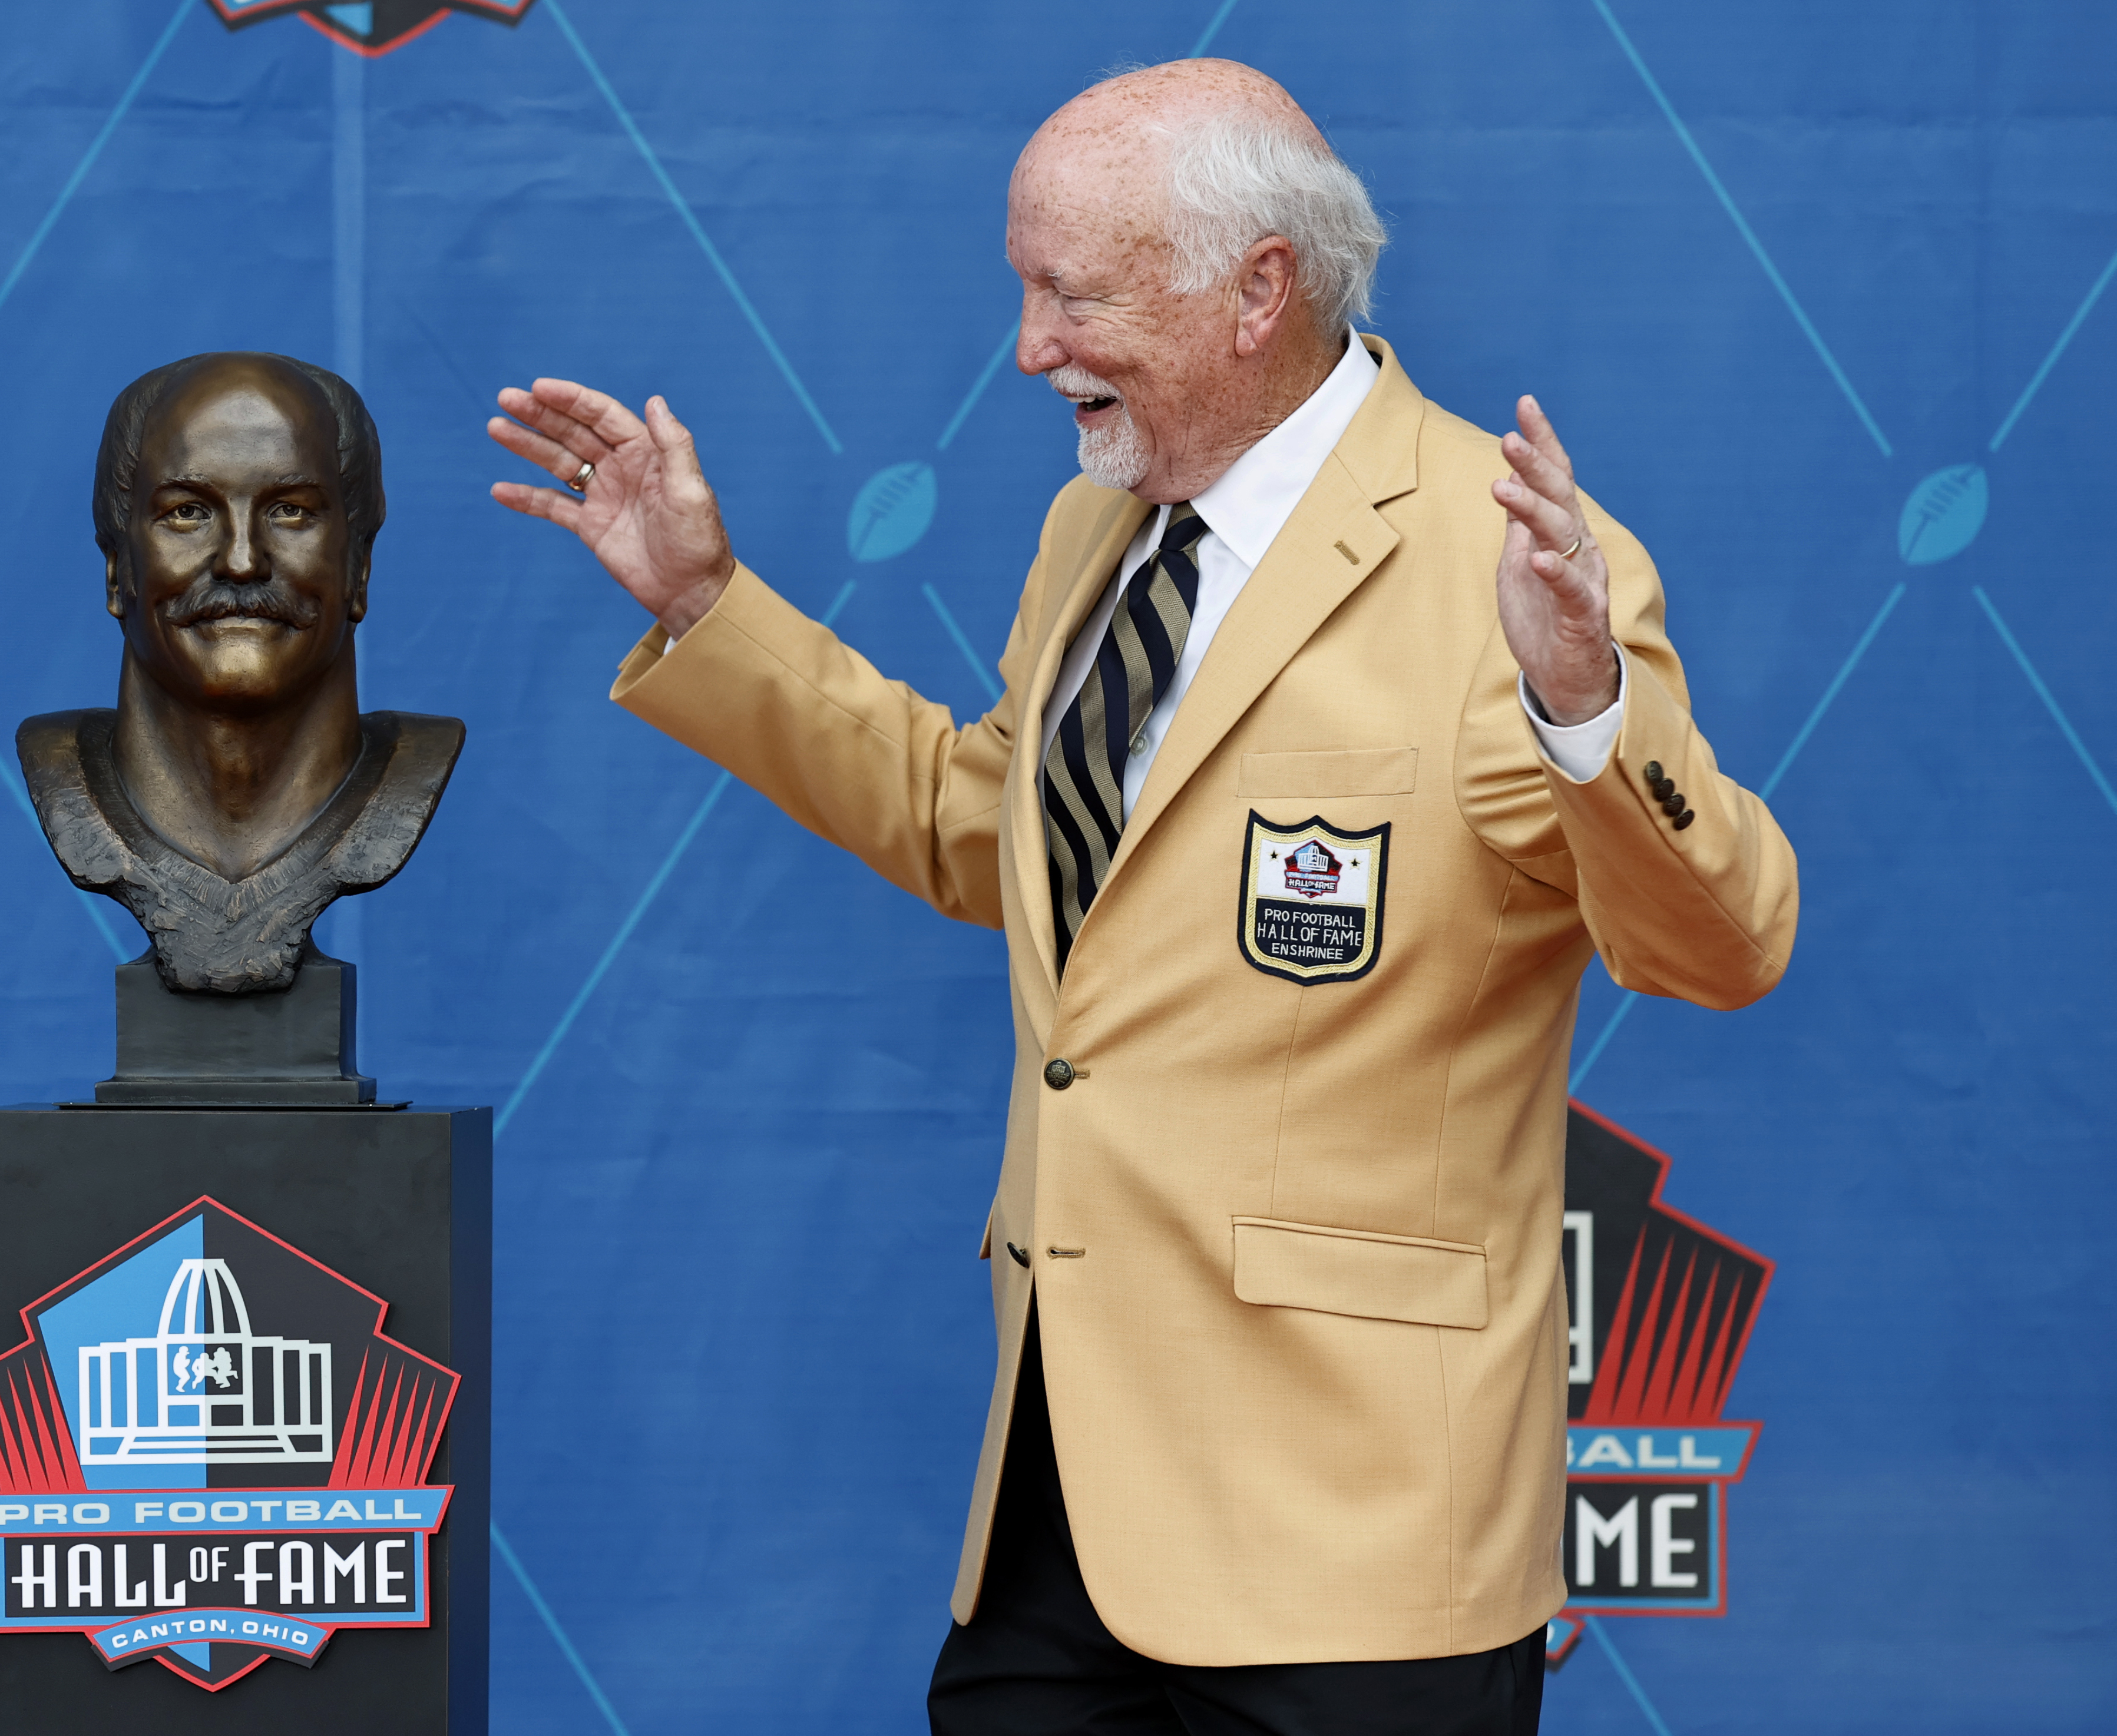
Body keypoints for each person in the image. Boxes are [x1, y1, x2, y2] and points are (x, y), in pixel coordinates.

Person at [487, 59, 1795, 1736]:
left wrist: (1583, 712)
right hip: (1058, 1519)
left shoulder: (1514, 569)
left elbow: (1723, 937)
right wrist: (709, 608)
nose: (1027, 346)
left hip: (1356, 1542)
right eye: (1023, 288)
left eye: (1070, 294)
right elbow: (989, 838)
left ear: (1257, 290)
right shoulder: (1089, 535)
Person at [18, 352, 461, 995]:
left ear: (359, 566)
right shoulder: (63, 769)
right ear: (117, 567)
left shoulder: (413, 766)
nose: (243, 560)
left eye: (290, 511)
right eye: (189, 512)